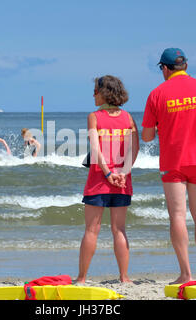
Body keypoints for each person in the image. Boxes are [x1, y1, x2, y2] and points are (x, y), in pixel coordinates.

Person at [141, 48, 196, 284]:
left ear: (165, 69)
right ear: (185, 66)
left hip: (173, 162)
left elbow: (146, 137)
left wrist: (162, 127)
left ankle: (186, 273)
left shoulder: (157, 94)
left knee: (177, 215)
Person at [76, 75, 139, 283]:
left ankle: (82, 278)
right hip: (122, 181)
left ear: (104, 93)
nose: (93, 94)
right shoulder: (128, 117)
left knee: (91, 230)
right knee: (119, 229)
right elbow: (134, 149)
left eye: (95, 90)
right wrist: (123, 173)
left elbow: (95, 148)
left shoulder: (94, 117)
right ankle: (124, 277)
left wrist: (108, 174)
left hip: (99, 180)